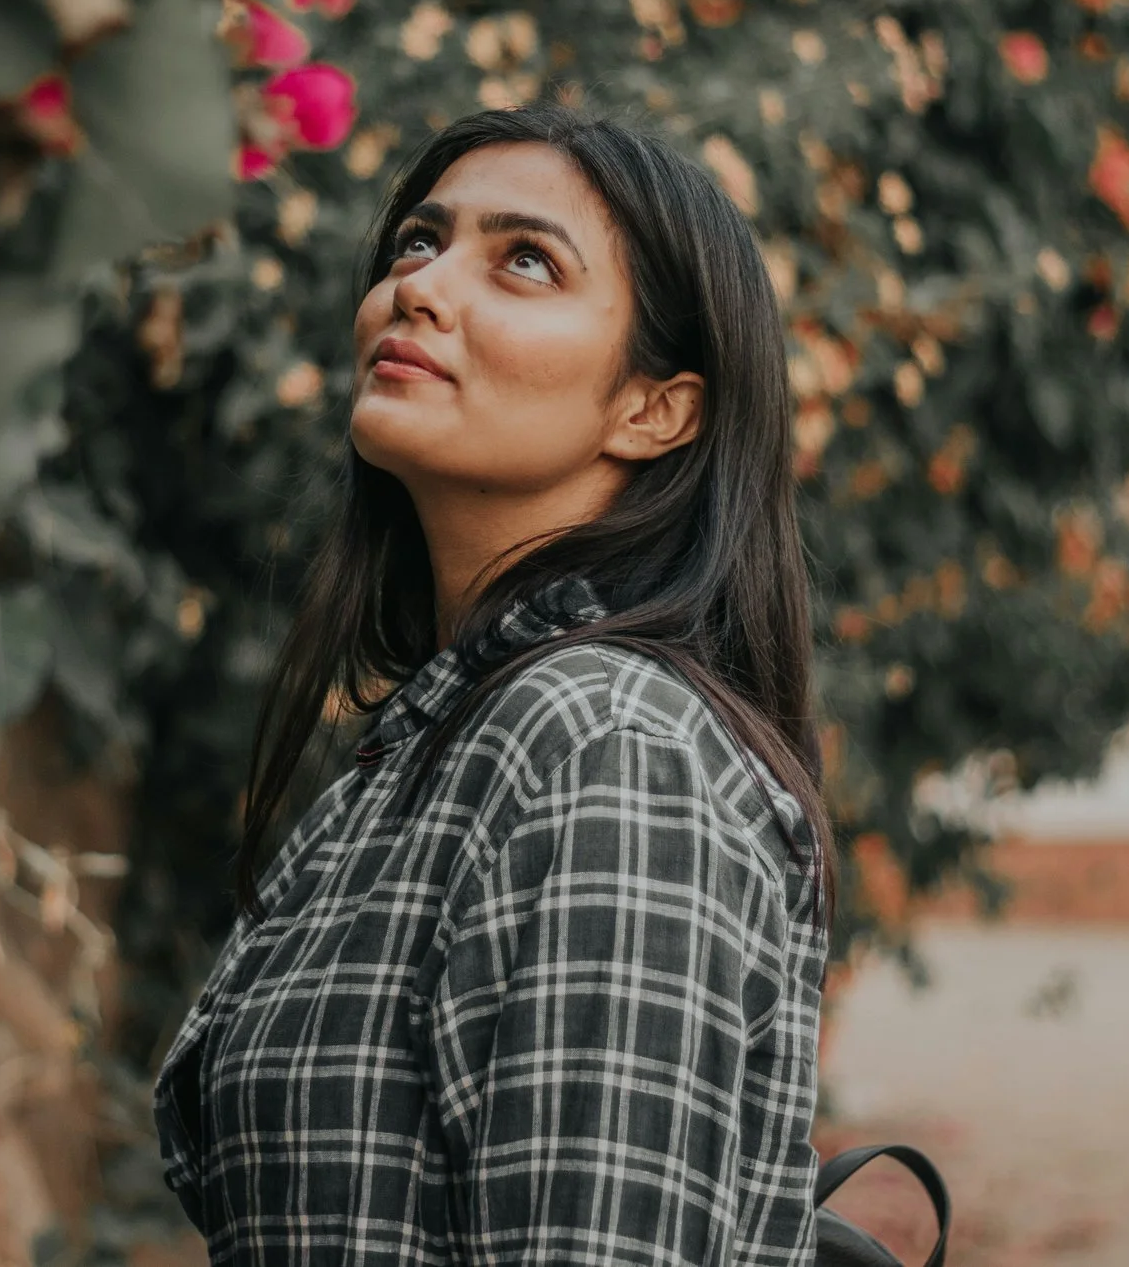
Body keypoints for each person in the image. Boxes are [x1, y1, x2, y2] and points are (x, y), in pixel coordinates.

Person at [154, 106, 831, 1265]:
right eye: (419, 241)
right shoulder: (446, 736)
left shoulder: (609, 749)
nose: (419, 287)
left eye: (524, 260)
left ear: (655, 407)